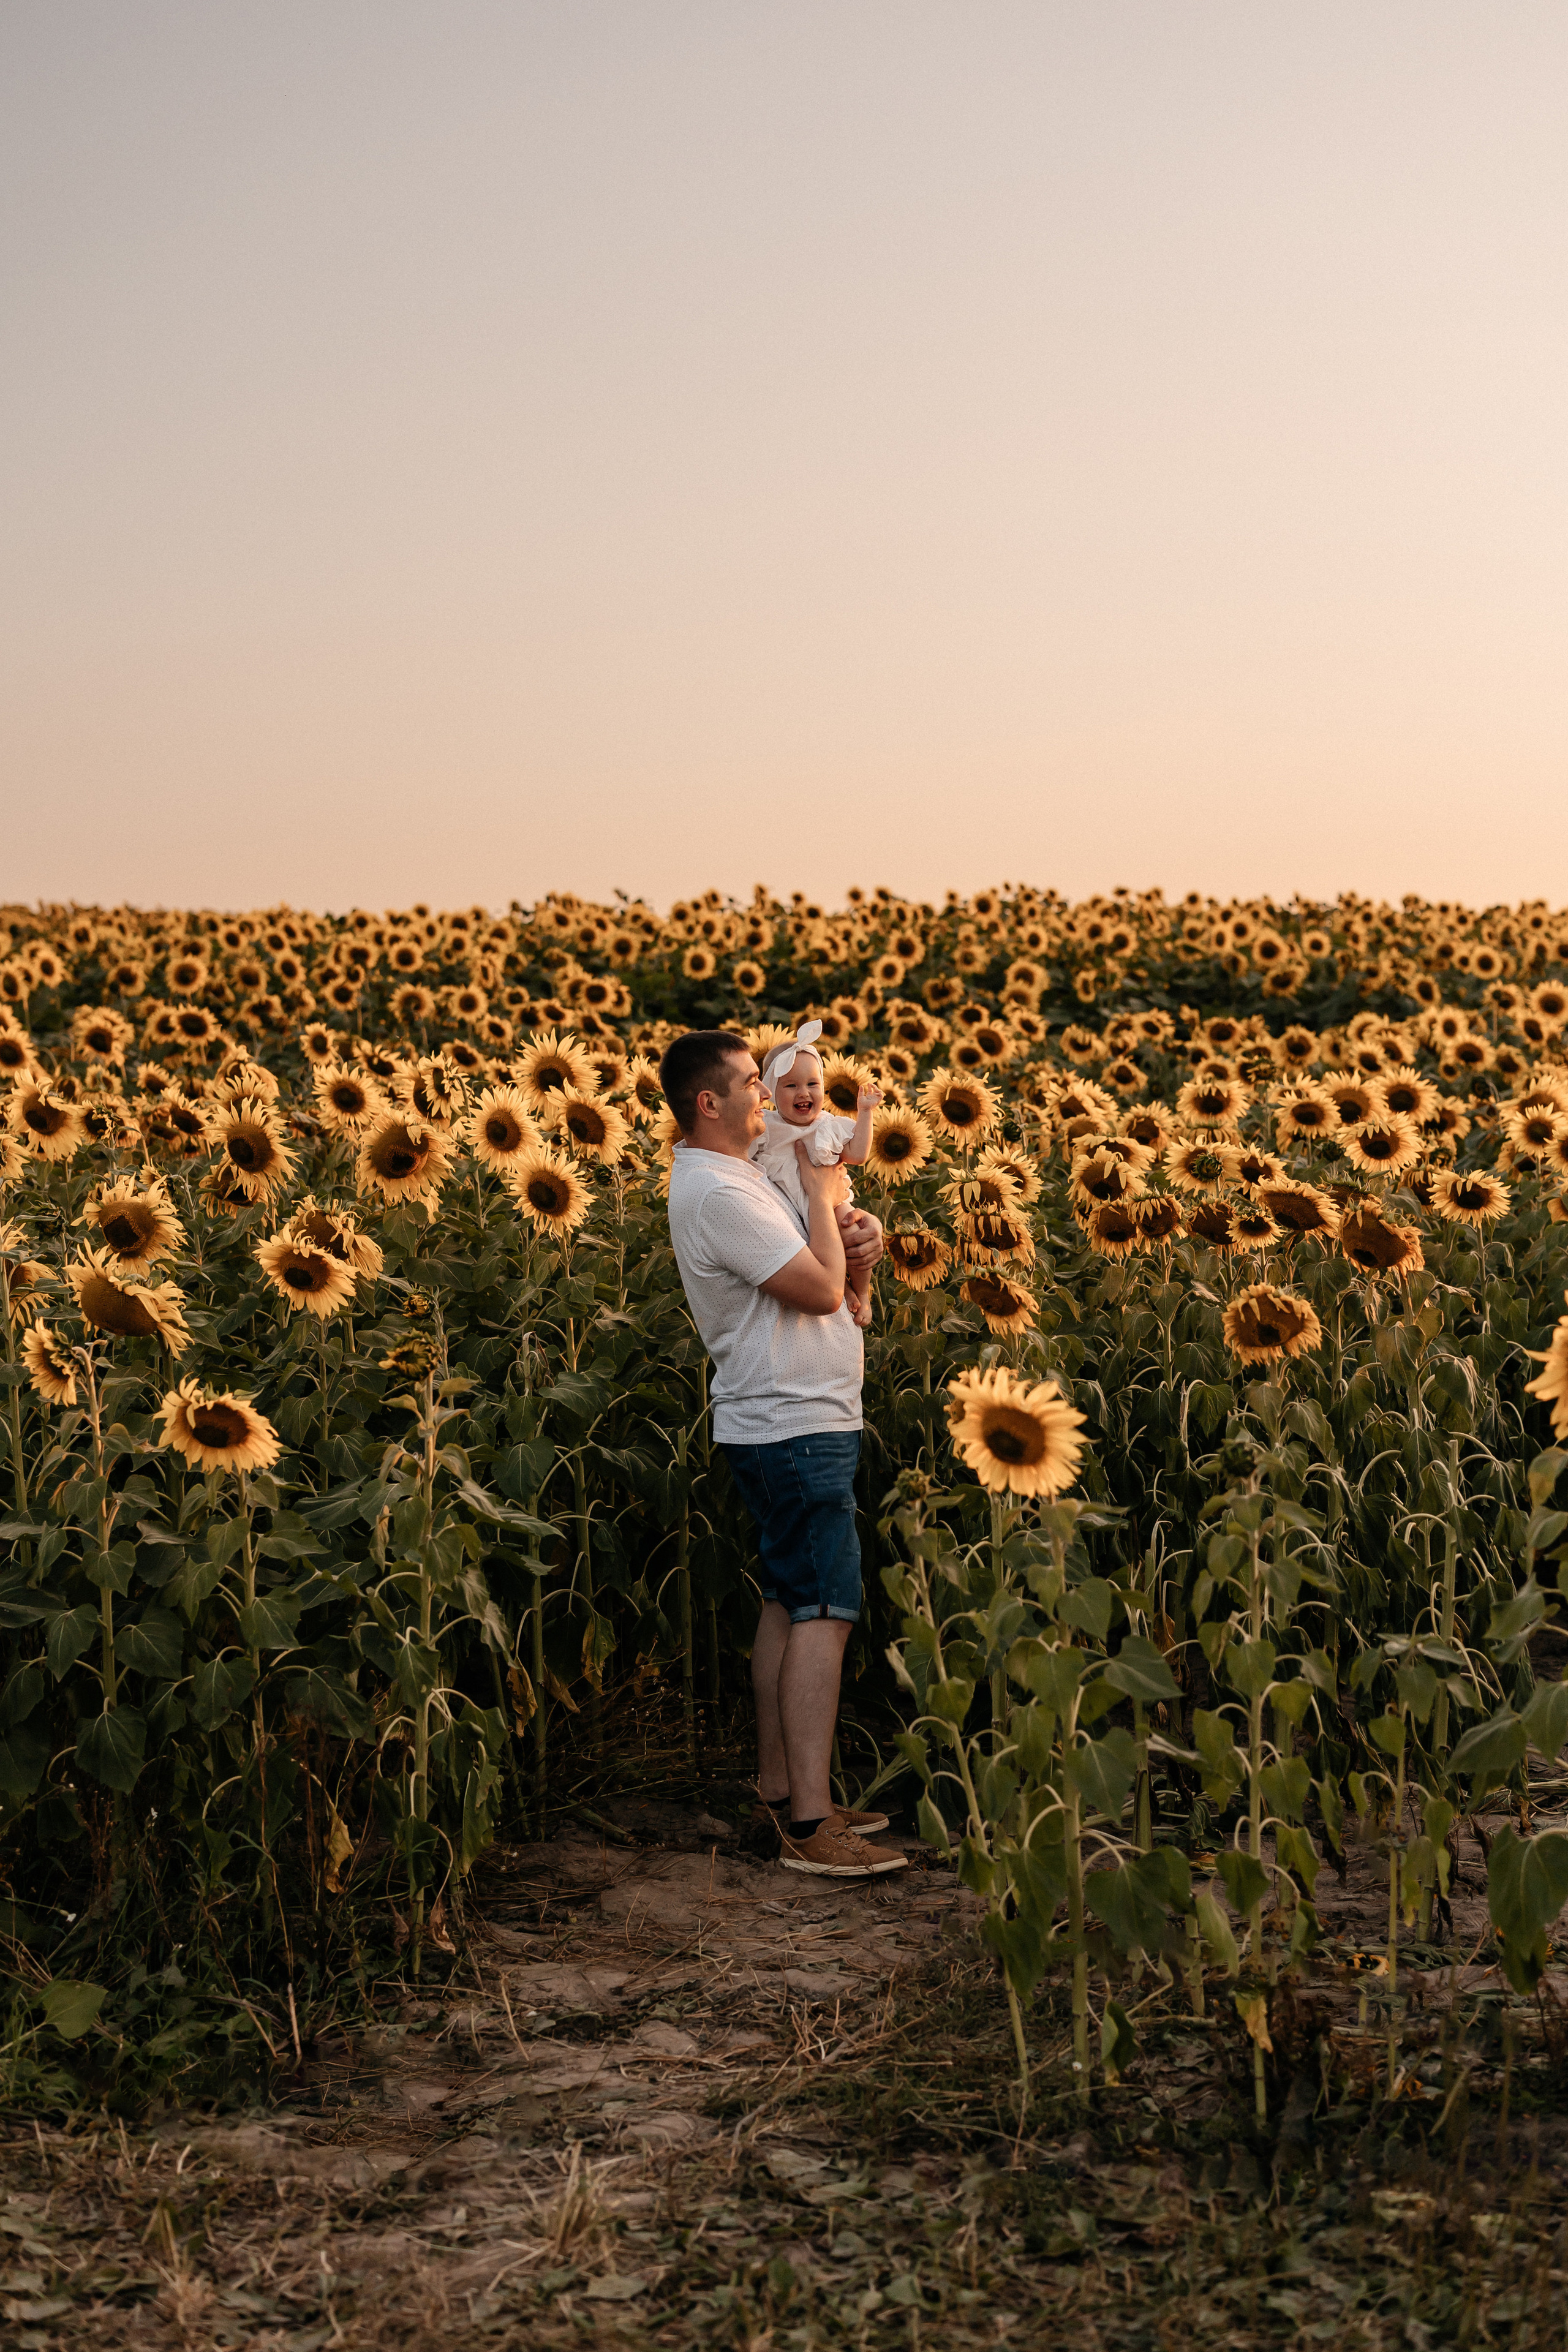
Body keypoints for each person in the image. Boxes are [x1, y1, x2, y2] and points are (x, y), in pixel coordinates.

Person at [659, 1028, 908, 1880]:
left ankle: (777, 1789)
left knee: (787, 1599)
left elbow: (825, 1253)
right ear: (709, 1102)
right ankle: (810, 1819)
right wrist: (822, 1197)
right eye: (746, 1085)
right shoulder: (721, 1192)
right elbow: (815, 1287)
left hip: (789, 1420)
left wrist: (855, 1231)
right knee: (826, 1612)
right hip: (793, 1425)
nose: (764, 1096)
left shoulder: (738, 1175)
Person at [752, 1019, 882, 1327]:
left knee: (854, 1234)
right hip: (786, 1210)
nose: (804, 1093)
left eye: (813, 1084)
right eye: (791, 1085)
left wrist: (865, 1113)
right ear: (770, 1092)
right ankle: (845, 1286)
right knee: (813, 1260)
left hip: (832, 1205)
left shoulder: (827, 1125)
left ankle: (862, 1292)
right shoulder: (766, 1128)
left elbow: (858, 1155)